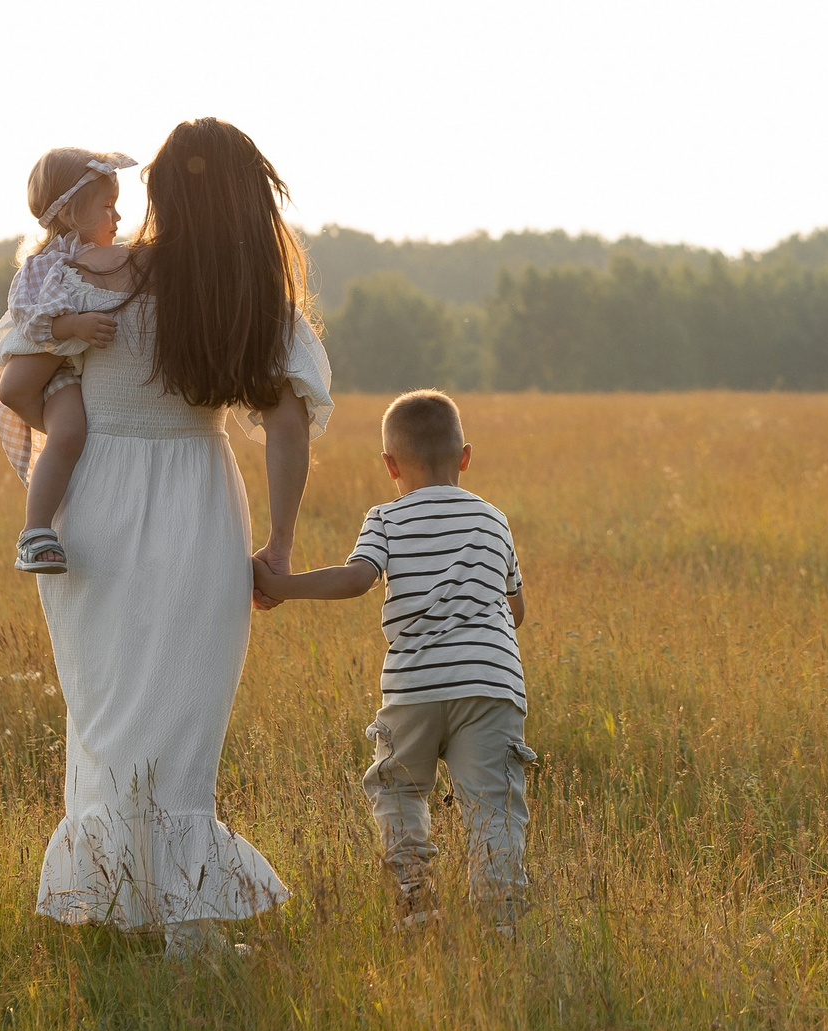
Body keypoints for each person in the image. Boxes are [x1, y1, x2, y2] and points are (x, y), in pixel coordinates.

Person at [31, 118, 332, 960]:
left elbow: (22, 378)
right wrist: (277, 544)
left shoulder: (92, 271)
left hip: (91, 500)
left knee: (111, 707)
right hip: (196, 498)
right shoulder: (243, 295)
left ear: (159, 192)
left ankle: (126, 902)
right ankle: (183, 929)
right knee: (183, 714)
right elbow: (284, 426)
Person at [252, 389, 535, 931]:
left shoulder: (385, 517)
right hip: (491, 684)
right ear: (466, 457)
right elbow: (515, 610)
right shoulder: (493, 519)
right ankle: (500, 917)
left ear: (389, 465)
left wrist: (284, 585)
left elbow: (357, 580)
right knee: (494, 804)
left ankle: (415, 897)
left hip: (414, 688)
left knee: (399, 788)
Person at [0, 148, 136, 573]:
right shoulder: (45, 263)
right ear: (72, 213)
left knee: (75, 438)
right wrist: (73, 326)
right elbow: (29, 323)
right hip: (51, 366)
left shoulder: (95, 259)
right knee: (69, 434)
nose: (119, 218)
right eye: (107, 207)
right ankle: (35, 532)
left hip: (68, 367)